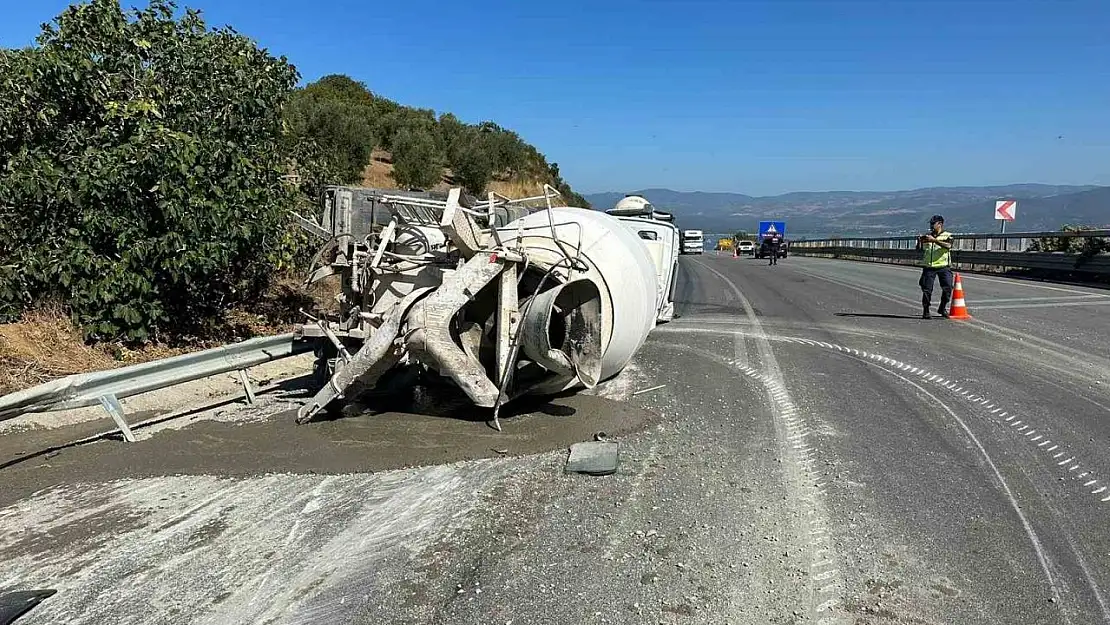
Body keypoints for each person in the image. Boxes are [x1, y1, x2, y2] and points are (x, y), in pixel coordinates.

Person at [916, 215, 954, 319]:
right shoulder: (927, 236)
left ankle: (942, 307)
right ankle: (926, 310)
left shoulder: (947, 235)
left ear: (940, 224)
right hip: (929, 267)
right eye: (931, 224)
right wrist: (919, 241)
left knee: (948, 287)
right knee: (927, 290)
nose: (931, 226)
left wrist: (935, 241)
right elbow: (919, 250)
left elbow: (949, 246)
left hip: (943, 267)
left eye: (933, 224)